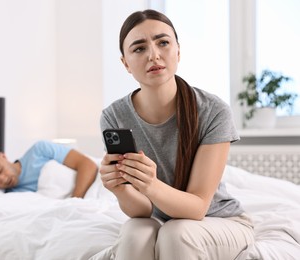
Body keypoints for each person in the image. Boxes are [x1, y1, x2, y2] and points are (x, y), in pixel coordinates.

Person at [98, 9, 254, 260]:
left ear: (178, 51)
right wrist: (119, 189)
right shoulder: (113, 116)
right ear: (125, 63)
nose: (154, 55)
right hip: (163, 220)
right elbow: (141, 211)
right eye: (139, 49)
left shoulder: (213, 111)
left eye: (163, 43)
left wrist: (150, 183)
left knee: (177, 233)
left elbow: (198, 207)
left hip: (218, 219)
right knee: (134, 233)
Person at [0, 140, 97, 198]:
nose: (2, 179)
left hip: (95, 185)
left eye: (0, 170)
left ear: (3, 156)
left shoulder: (39, 151)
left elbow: (87, 164)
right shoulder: (13, 197)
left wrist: (75, 201)